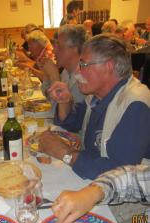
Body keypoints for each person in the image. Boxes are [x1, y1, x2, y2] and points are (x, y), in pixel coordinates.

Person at [39, 34, 150, 179]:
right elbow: (72, 124)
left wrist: (64, 153)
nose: (78, 72)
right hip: (90, 178)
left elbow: (121, 175)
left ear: (108, 66)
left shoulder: (136, 105)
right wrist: (64, 101)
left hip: (119, 197)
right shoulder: (97, 95)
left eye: (83, 65)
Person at [52, 164, 150, 223]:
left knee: (136, 220)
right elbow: (131, 178)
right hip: (144, 219)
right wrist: (91, 194)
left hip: (138, 218)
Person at [39, 24, 86, 104]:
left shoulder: (83, 77)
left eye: (59, 46)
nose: (54, 51)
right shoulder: (66, 71)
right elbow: (49, 97)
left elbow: (66, 114)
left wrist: (55, 76)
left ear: (74, 49)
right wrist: (47, 75)